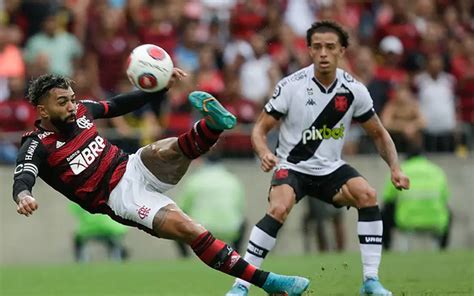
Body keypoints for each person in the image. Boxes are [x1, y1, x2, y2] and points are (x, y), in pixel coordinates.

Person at [12, 73, 310, 296]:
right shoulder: (37, 144)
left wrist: (157, 88)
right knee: (192, 230)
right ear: (42, 111)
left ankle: (213, 125)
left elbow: (117, 105)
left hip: (130, 165)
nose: (71, 106)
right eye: (62, 102)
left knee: (164, 150)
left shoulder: (82, 112)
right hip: (120, 198)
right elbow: (23, 175)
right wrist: (23, 194)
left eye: (73, 99)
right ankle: (268, 283)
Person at [226, 20, 410, 296]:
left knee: (368, 195)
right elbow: (259, 129)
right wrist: (264, 152)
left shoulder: (354, 90)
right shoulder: (291, 86)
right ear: (309, 51)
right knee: (278, 209)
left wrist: (395, 168)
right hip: (292, 166)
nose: (323, 53)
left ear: (342, 51)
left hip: (330, 169)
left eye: (330, 47)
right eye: (317, 47)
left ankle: (371, 282)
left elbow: (380, 135)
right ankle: (241, 285)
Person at [175, 147, 246, 257]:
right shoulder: (232, 179)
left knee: (176, 222)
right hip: (230, 229)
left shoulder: (195, 180)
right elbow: (240, 209)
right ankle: (237, 256)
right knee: (242, 222)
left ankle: (185, 259)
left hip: (202, 230)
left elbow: (183, 209)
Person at [381, 146, 452, 251]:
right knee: (449, 213)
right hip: (435, 220)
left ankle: (387, 248)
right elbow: (445, 198)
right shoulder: (436, 171)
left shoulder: (399, 171)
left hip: (406, 220)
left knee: (383, 213)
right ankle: (442, 249)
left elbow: (387, 199)